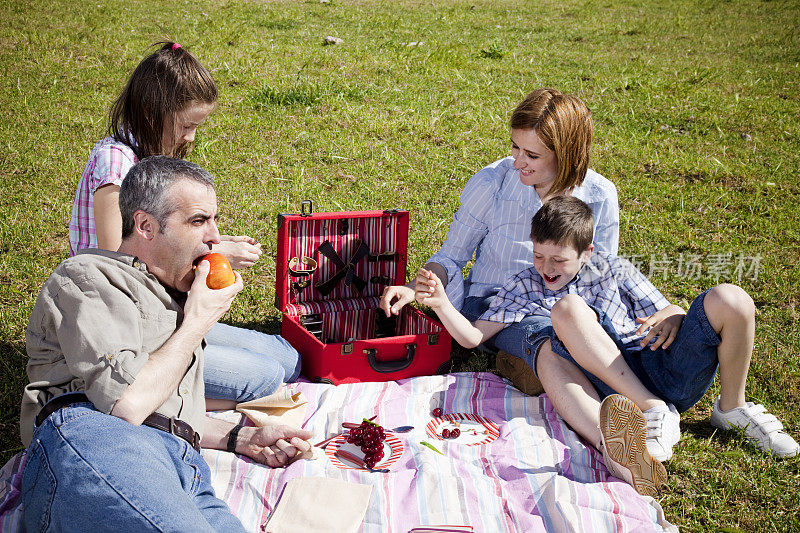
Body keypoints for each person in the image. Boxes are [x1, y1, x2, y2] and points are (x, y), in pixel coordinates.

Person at [415, 196, 799, 497]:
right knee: (566, 309)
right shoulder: (525, 285)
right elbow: (472, 338)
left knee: (731, 298)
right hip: (608, 387)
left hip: (659, 364)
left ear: (588, 253)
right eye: (538, 255)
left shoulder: (612, 268)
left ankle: (731, 407)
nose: (546, 267)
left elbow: (667, 308)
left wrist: (674, 315)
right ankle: (648, 415)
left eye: (558, 259)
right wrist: (443, 304)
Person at [21, 156, 313, 531]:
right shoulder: (88, 276)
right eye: (198, 221)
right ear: (145, 225)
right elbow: (127, 405)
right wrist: (199, 320)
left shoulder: (171, 297)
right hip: (96, 438)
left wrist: (241, 437)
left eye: (214, 220)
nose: (214, 237)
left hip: (184, 466)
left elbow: (160, 412)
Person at [68, 41, 299, 404]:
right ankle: (153, 400)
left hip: (159, 310)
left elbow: (166, 240)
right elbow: (115, 261)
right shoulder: (116, 165)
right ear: (151, 113)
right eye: (186, 125)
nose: (190, 138)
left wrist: (207, 248)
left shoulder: (150, 159)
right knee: (266, 378)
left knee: (288, 358)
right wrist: (216, 252)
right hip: (123, 326)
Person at [379, 88, 618, 383]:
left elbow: (600, 275)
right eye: (515, 147)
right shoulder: (493, 182)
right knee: (547, 343)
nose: (517, 161)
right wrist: (415, 288)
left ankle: (640, 405)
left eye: (532, 155)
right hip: (493, 305)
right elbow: (452, 255)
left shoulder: (599, 195)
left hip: (565, 309)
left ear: (566, 154)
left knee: (590, 340)